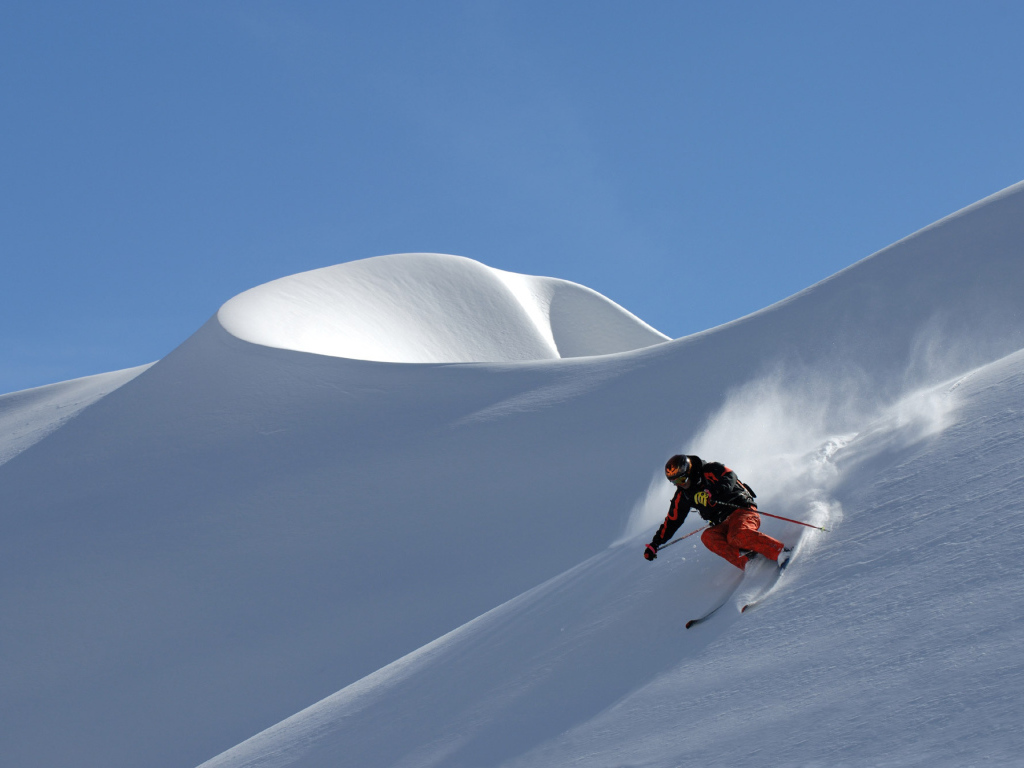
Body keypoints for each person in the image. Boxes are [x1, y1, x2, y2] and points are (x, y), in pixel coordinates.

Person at [643, 454, 787, 569]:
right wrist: (655, 544)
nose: (680, 485)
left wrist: (712, 492)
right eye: (674, 482)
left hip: (741, 510)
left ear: (689, 471)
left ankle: (781, 552)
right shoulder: (683, 495)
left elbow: (730, 477)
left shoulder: (709, 470)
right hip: (721, 522)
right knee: (708, 537)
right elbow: (672, 521)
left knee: (736, 535)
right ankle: (749, 562)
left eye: (682, 479)